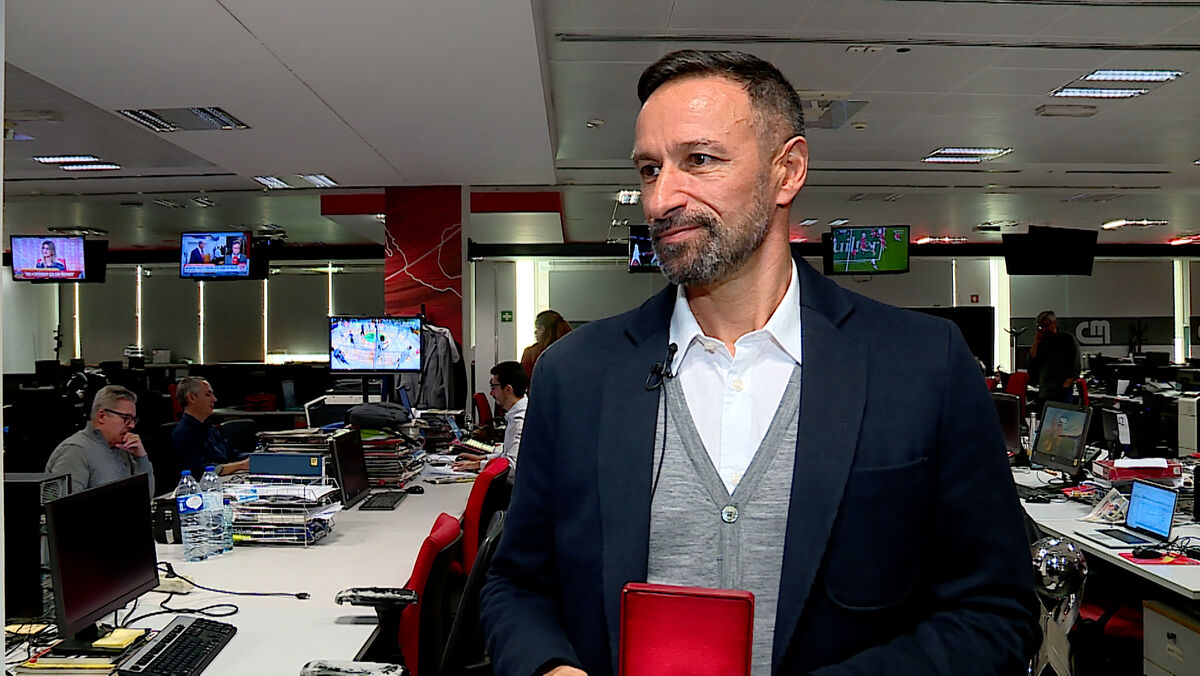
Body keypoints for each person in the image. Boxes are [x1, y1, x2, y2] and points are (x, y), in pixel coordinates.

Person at [480, 50, 1038, 676]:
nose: (661, 198)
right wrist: (549, 669)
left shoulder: (922, 364)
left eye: (699, 160)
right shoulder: (576, 374)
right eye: (649, 169)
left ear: (787, 171)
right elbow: (515, 586)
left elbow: (994, 613)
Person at [45, 385, 154, 495]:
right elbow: (65, 504)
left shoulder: (124, 448)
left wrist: (141, 457)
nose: (132, 425)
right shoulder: (75, 451)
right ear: (102, 416)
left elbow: (145, 497)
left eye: (133, 419)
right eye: (126, 418)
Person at [453, 361, 527, 483]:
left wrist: (479, 465)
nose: (491, 393)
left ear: (508, 389)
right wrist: (481, 459)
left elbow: (512, 469)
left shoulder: (520, 422)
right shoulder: (517, 414)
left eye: (493, 387)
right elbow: (505, 456)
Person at [171, 377, 249, 477]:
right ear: (192, 398)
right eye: (208, 395)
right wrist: (241, 465)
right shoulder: (183, 433)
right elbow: (200, 470)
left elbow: (233, 455)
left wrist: (257, 458)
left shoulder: (211, 428)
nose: (214, 399)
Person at [1029, 310, 1080, 405]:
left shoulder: (1067, 339)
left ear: (1054, 323)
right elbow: (1032, 363)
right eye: (1041, 327)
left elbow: (1075, 366)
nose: (1044, 329)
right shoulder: (1042, 343)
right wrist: (1036, 342)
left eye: (1046, 326)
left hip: (1063, 390)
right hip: (1045, 390)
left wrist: (1066, 386)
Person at [520, 310, 572, 379]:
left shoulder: (531, 353)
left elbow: (524, 380)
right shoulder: (573, 350)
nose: (535, 332)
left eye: (538, 328)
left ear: (543, 329)